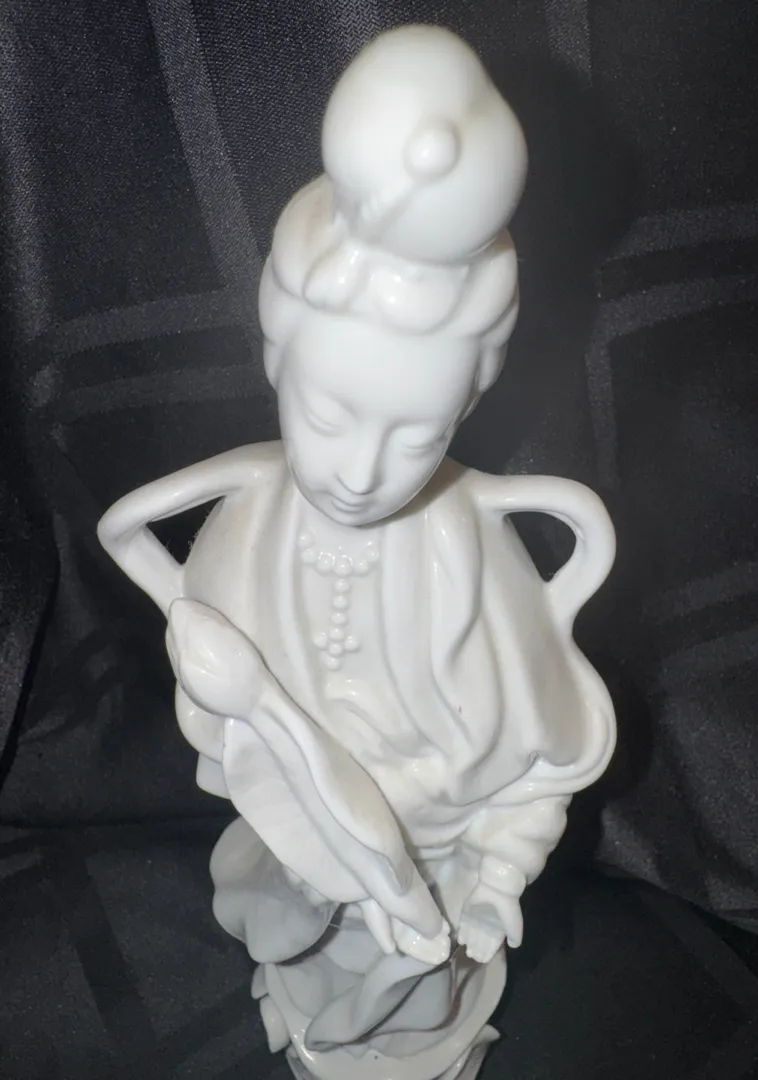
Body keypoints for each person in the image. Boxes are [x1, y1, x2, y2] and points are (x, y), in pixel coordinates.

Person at [97, 24, 616, 1080]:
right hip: (303, 866)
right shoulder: (250, 534)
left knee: (419, 987)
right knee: (311, 957)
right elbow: (154, 579)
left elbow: (538, 763)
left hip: (434, 880)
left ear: (464, 408)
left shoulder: (472, 567)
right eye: (329, 416)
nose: (363, 471)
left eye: (416, 435)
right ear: (277, 366)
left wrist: (496, 877)